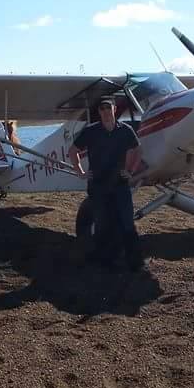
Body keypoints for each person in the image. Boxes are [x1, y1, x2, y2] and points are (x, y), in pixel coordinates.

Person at [68, 96, 146, 272]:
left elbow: (138, 149)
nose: (104, 111)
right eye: (101, 108)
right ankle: (105, 261)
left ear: (114, 110)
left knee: (127, 222)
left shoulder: (125, 130)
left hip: (120, 184)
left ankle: (135, 262)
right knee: (103, 224)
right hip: (98, 185)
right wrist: (80, 172)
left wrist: (131, 171)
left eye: (107, 107)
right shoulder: (91, 131)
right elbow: (73, 151)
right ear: (99, 112)